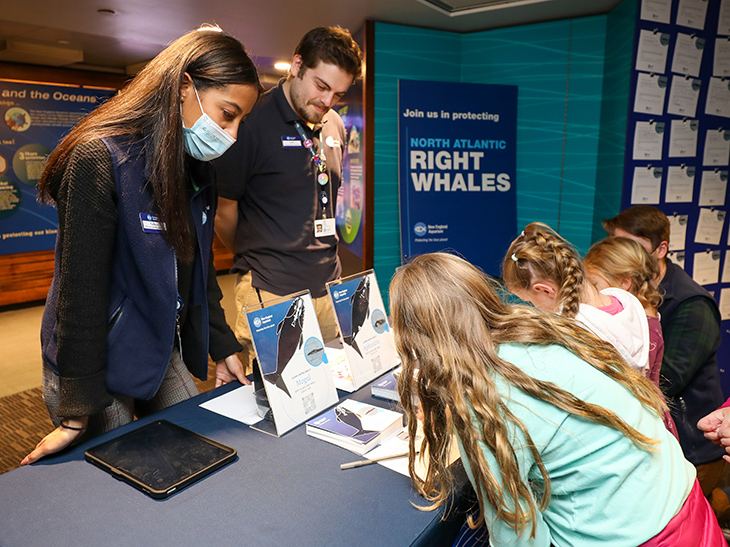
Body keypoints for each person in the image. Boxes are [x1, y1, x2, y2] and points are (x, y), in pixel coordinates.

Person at [22, 26, 259, 466]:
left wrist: (222, 347)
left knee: (193, 453)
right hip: (94, 356)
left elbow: (199, 270)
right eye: (228, 114)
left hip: (156, 346)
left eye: (240, 120)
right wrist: (77, 411)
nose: (233, 132)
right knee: (121, 484)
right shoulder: (100, 156)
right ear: (185, 87)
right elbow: (81, 291)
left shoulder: (197, 168)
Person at [390, 252, 724, 546]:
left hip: (636, 536)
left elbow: (517, 534)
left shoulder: (483, 400)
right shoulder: (544, 330)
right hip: (688, 504)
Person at [214, 26, 363, 372]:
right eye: (321, 86)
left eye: (337, 94)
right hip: (271, 287)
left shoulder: (335, 125)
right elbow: (224, 212)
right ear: (296, 65)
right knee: (281, 401)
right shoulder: (251, 122)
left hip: (329, 284)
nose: (327, 102)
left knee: (335, 389)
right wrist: (260, 253)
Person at [603, 205, 726, 514]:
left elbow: (668, 379)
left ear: (662, 249)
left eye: (633, 246)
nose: (623, 253)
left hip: (691, 446)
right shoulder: (621, 296)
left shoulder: (692, 304)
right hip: (655, 439)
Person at [502, 222, 651, 375]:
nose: (532, 306)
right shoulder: (627, 304)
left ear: (545, 290)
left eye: (529, 301)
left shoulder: (577, 332)